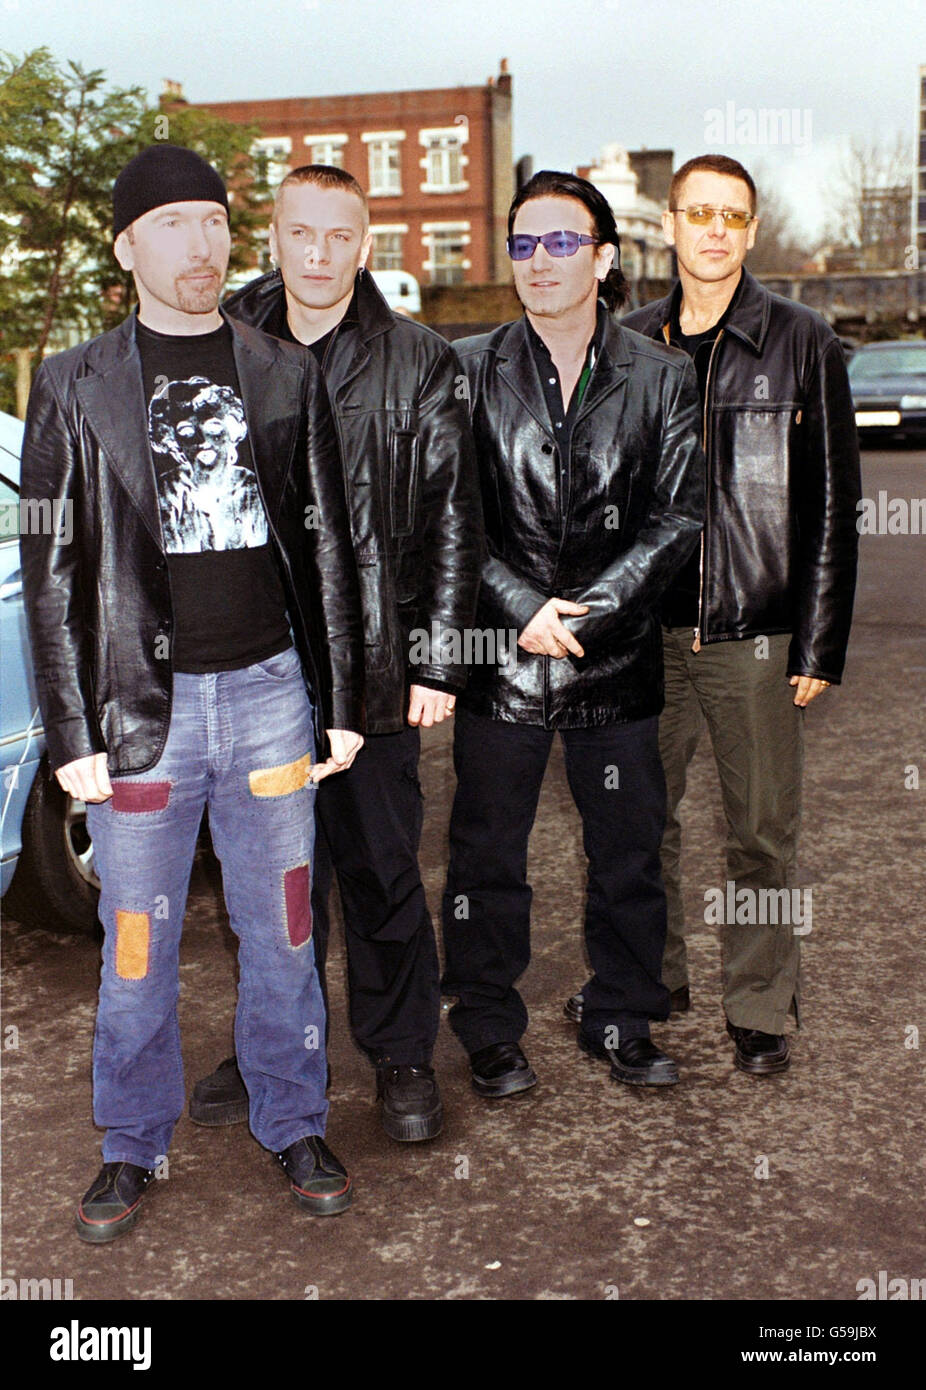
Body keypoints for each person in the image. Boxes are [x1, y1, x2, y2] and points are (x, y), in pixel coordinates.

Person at [19, 145, 365, 1242]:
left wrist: (346, 696)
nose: (202, 243)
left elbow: (330, 555)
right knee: (135, 941)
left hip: (269, 697)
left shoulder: (281, 373)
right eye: (173, 223)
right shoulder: (72, 385)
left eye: (214, 221)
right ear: (127, 248)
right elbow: (53, 570)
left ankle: (293, 1117)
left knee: (285, 932)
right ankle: (130, 1140)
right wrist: (72, 728)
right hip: (138, 717)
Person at [189, 165, 483, 1140]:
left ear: (366, 245)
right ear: (272, 237)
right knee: (273, 876)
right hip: (254, 662)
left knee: (379, 865)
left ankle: (400, 1055)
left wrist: (438, 659)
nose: (316, 257)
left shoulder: (423, 363)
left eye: (336, 238)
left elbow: (452, 522)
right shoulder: (212, 344)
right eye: (298, 235)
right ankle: (272, 1044)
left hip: (379, 667)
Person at [565, 154, 861, 1074]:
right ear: (672, 223)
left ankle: (760, 1006)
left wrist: (818, 639)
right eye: (699, 212)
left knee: (761, 831)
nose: (715, 231)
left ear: (752, 230)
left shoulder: (803, 341)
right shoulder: (629, 340)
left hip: (755, 634)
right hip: (644, 637)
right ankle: (650, 981)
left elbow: (831, 504)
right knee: (635, 824)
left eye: (733, 216)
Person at [440, 171, 705, 1096]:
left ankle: (622, 1013)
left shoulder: (663, 375)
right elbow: (449, 519)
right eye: (524, 243)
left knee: (628, 853)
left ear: (602, 257)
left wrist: (589, 611)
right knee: (484, 856)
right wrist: (522, 609)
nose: (540, 261)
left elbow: (678, 519)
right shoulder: (464, 368)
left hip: (615, 660)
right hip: (501, 665)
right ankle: (485, 1024)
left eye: (561, 242)